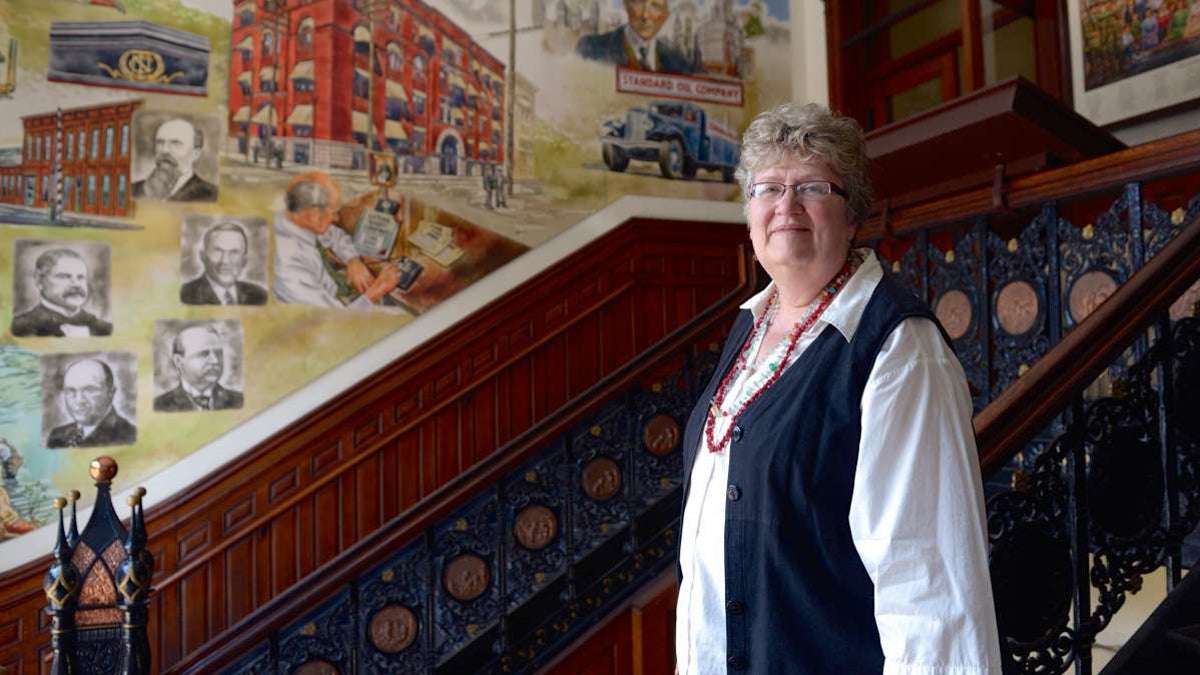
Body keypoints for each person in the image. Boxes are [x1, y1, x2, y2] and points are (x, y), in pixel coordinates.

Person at [675, 103, 1000, 674]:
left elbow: (930, 591)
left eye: (812, 186)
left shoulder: (900, 351)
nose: (785, 206)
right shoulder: (751, 325)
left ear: (852, 215)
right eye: (768, 187)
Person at [273, 172, 401, 309]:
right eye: (333, 212)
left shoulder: (295, 220)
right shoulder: (290, 267)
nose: (336, 219)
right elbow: (336, 320)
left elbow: (335, 235)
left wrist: (353, 260)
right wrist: (377, 290)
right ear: (313, 215)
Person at [11, 248, 112, 337]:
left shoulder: (104, 328)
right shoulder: (20, 328)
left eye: (80, 277)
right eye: (64, 276)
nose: (76, 284)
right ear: (39, 280)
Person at [576, 0, 697, 74]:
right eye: (639, 1)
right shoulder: (591, 49)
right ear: (626, 4)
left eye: (655, 6)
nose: (645, 15)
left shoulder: (680, 64)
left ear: (665, 15)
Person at [46, 358, 136, 448]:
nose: (79, 400)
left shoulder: (129, 436)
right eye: (71, 391)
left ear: (111, 393)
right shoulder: (56, 436)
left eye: (90, 390)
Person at [154, 325, 243, 412]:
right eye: (203, 354)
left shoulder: (239, 401)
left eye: (218, 353)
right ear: (178, 361)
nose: (215, 361)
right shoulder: (159, 406)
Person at [180, 221, 269, 305]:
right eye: (218, 251)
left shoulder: (260, 296)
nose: (225, 261)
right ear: (202, 256)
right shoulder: (185, 296)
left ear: (244, 261)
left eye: (234, 252)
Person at [132, 117, 218, 202]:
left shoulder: (212, 195)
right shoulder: (133, 189)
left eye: (176, 143)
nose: (165, 150)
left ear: (195, 154)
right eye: (160, 142)